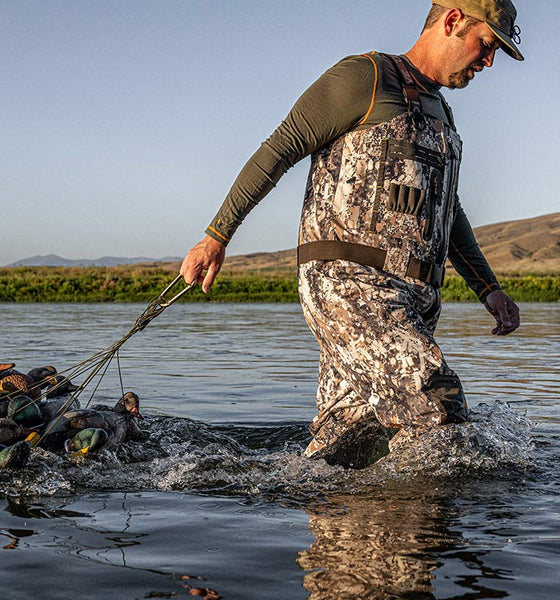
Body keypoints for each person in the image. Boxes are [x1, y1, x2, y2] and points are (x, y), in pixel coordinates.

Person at [180, 0, 522, 468]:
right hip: (350, 287)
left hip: (415, 298)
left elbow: (448, 207)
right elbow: (280, 148)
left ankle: (309, 510)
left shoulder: (441, 111)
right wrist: (216, 236)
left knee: (347, 451)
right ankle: (435, 517)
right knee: (437, 410)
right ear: (452, 21)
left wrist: (488, 287)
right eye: (487, 44)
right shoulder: (364, 78)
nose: (489, 61)